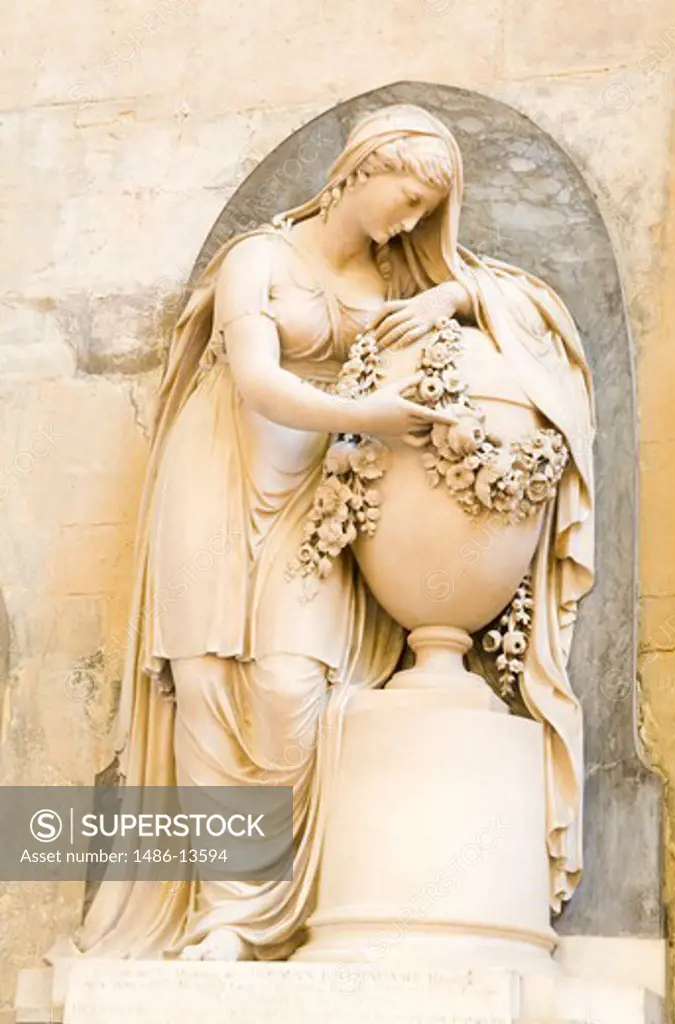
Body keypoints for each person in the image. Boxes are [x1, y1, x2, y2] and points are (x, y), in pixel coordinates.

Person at [75, 104, 594, 963]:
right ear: (360, 168)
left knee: (288, 687)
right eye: (407, 194)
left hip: (322, 497)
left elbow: (529, 312)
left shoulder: (399, 282)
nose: (412, 217)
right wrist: (374, 414)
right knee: (207, 682)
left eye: (429, 209)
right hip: (220, 471)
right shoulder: (259, 259)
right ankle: (223, 917)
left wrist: (450, 295)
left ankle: (271, 904)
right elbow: (257, 384)